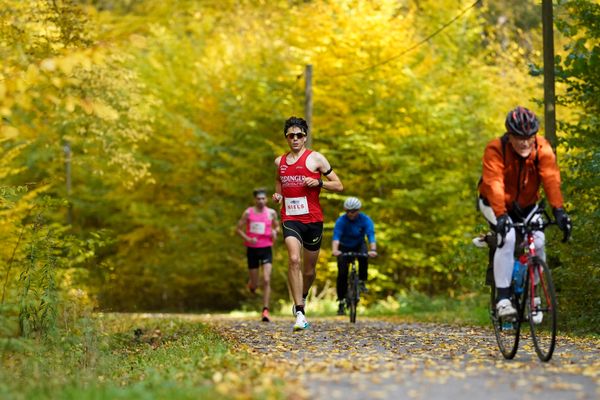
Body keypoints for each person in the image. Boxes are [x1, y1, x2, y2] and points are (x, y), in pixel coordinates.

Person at [477, 106, 571, 319]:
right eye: (519, 137)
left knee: (538, 242)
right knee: (508, 238)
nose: (525, 142)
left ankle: (533, 296)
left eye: (529, 137)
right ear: (509, 135)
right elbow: (494, 184)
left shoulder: (542, 148)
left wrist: (559, 210)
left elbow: (550, 179)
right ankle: (502, 299)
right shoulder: (496, 149)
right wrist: (501, 216)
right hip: (493, 202)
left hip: (527, 205)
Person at [273, 116, 343, 331]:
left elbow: (339, 185)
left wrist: (319, 182)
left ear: (305, 137)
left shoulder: (316, 159)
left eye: (299, 135)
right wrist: (279, 196)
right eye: (291, 135)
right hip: (290, 218)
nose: (295, 139)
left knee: (309, 271)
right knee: (294, 259)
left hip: (313, 219)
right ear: (286, 138)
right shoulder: (279, 162)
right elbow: (279, 181)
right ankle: (300, 311)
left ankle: (302, 293)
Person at [236, 188, 280, 322]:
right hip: (252, 249)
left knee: (266, 279)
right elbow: (238, 229)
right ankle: (252, 284)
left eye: (263, 198)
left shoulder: (271, 213)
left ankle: (265, 310)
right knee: (255, 285)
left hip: (266, 248)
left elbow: (277, 227)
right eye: (258, 199)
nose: (261, 201)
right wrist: (248, 239)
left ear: (266, 199)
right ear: (254, 199)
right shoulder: (248, 213)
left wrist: (275, 232)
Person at [332, 196, 377, 315]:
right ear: (345, 210)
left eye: (354, 211)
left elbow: (370, 235)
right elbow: (336, 236)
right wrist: (335, 250)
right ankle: (341, 301)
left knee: (364, 257)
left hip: (358, 244)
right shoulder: (341, 221)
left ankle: (362, 281)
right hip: (343, 247)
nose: (351, 214)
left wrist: (373, 249)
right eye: (348, 211)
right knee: (342, 274)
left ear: (359, 210)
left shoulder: (365, 219)